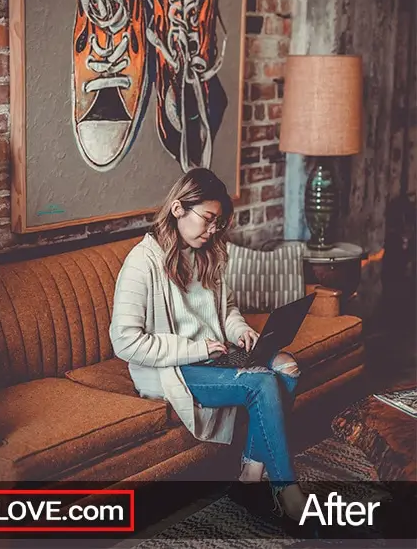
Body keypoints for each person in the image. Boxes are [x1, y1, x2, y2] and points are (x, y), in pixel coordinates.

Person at [109, 167, 310, 529]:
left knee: (287, 369)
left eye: (218, 223)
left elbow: (226, 309)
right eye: (208, 219)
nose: (212, 230)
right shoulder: (143, 262)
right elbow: (125, 340)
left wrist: (241, 330)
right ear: (177, 209)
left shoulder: (207, 254)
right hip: (171, 367)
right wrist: (195, 348)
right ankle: (288, 491)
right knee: (262, 381)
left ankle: (250, 476)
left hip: (214, 355)